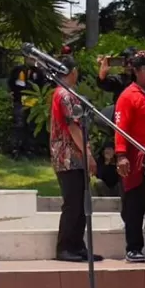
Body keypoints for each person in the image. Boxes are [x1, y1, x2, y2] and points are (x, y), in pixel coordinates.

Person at [49, 56, 102, 263]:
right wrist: (88, 154)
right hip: (68, 158)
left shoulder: (65, 93)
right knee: (73, 204)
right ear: (72, 72)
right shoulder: (65, 95)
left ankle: (77, 245)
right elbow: (73, 127)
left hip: (73, 156)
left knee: (81, 203)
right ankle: (65, 247)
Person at [115, 50, 145, 263]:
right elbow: (120, 129)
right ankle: (134, 248)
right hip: (135, 158)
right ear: (136, 72)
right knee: (134, 205)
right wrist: (121, 156)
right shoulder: (128, 96)